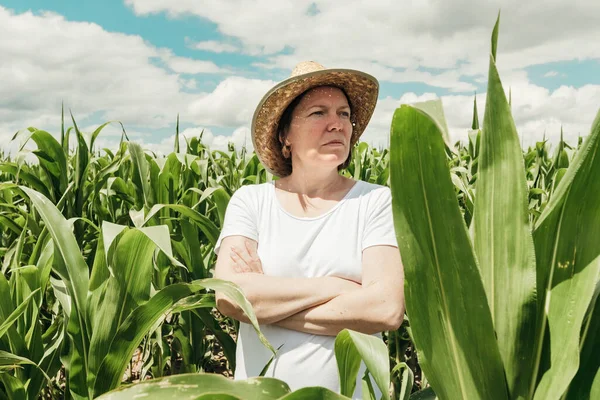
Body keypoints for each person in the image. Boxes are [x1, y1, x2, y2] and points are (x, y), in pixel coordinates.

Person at [213, 61, 405, 399]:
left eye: (344, 114)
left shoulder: (375, 201)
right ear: (285, 134)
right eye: (319, 113)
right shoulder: (251, 202)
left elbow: (385, 308)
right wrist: (336, 287)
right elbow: (230, 295)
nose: (337, 124)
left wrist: (265, 307)